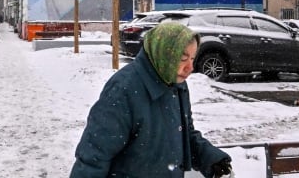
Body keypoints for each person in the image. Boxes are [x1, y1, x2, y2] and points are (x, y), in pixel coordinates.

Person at [70, 23, 232, 178]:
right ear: (163, 54)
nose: (190, 68)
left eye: (192, 58)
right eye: (183, 59)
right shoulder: (123, 90)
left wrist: (212, 160)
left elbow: (184, 134)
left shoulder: (176, 84)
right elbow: (94, 157)